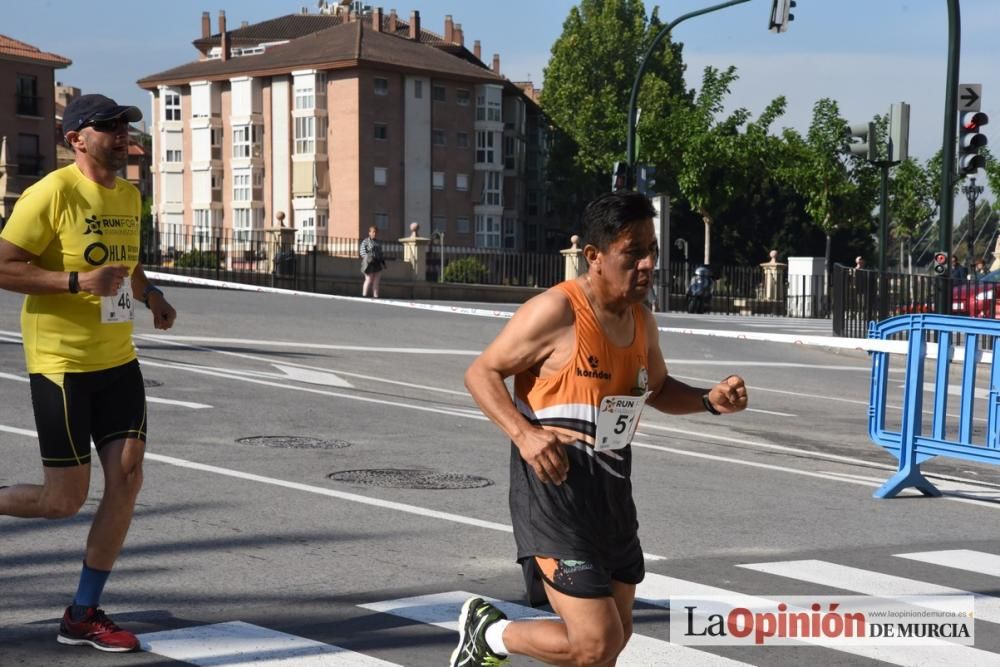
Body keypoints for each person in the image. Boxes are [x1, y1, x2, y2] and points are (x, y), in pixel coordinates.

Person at [452, 191, 748, 667]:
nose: (649, 263)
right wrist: (525, 435)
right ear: (594, 256)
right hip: (554, 497)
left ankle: (490, 637)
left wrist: (708, 402)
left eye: (652, 249)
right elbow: (481, 372)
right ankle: (492, 635)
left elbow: (657, 387)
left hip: (611, 495)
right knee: (595, 641)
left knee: (615, 638)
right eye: (634, 253)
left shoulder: (641, 320)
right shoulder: (557, 311)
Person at [0, 93, 177, 653]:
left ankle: (83, 612)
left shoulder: (128, 194)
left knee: (127, 476)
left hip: (117, 359)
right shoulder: (49, 193)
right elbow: (4, 265)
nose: (123, 134)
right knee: (63, 501)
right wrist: (76, 283)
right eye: (109, 126)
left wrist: (150, 294)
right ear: (75, 138)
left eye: (125, 125)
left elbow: (125, 260)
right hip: (61, 365)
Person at [360, 225, 386, 298]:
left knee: (376, 281)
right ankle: (364, 295)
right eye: (373, 232)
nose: (375, 233)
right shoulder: (365, 241)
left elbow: (381, 253)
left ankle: (376, 296)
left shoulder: (378, 242)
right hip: (368, 263)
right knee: (368, 279)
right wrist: (368, 258)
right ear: (369, 232)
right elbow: (362, 252)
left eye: (376, 232)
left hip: (377, 263)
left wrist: (382, 261)